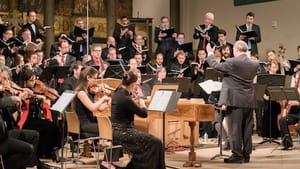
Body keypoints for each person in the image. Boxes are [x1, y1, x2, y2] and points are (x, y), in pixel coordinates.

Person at [206, 40, 259, 163]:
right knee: (247, 129)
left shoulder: (233, 62)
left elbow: (216, 66)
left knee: (234, 128)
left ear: (236, 50)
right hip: (249, 100)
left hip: (235, 100)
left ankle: (237, 155)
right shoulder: (255, 64)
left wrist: (210, 53)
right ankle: (246, 155)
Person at [111, 70, 165, 169]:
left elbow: (126, 105)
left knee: (151, 141)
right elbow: (143, 114)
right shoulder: (126, 98)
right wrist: (143, 104)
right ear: (132, 84)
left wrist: (132, 98)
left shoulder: (118, 93)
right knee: (156, 142)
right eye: (135, 85)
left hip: (115, 131)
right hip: (123, 133)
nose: (136, 87)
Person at [73, 66, 110, 136]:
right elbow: (92, 108)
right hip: (83, 124)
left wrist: (108, 99)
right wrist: (103, 99)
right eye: (95, 78)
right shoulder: (81, 92)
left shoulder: (87, 91)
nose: (96, 81)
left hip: (90, 121)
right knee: (108, 127)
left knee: (111, 123)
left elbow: (100, 108)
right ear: (88, 78)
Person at [279, 71, 300, 150]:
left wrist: (298, 103)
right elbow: (288, 101)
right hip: (295, 114)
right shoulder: (294, 89)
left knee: (298, 128)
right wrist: (286, 106)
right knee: (282, 120)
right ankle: (288, 143)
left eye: (298, 78)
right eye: (296, 78)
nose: (296, 79)